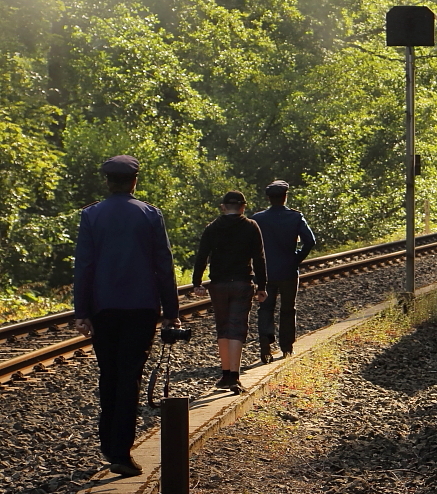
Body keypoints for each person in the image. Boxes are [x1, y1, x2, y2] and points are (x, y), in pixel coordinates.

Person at [73, 154, 180, 477]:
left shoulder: (91, 215)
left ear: (108, 182)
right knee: (129, 375)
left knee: (109, 373)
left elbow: (84, 265)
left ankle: (109, 444)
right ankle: (121, 451)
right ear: (135, 181)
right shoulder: (149, 215)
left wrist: (82, 311)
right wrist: (171, 311)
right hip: (141, 306)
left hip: (104, 306)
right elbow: (164, 264)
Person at [191, 190, 267, 394]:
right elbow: (259, 258)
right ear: (243, 207)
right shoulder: (251, 226)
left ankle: (225, 374)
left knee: (223, 327)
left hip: (218, 284)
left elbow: (202, 256)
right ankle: (234, 375)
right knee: (237, 327)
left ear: (223, 207)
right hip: (242, 283)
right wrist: (262, 287)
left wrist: (196, 282)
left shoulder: (212, 228)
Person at [251, 180, 316, 363]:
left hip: (265, 273)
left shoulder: (257, 219)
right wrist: (296, 258)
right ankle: (286, 347)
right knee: (288, 309)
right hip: (288, 271)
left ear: (269, 198)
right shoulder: (295, 217)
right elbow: (310, 241)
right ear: (285, 197)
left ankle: (265, 346)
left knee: (265, 309)